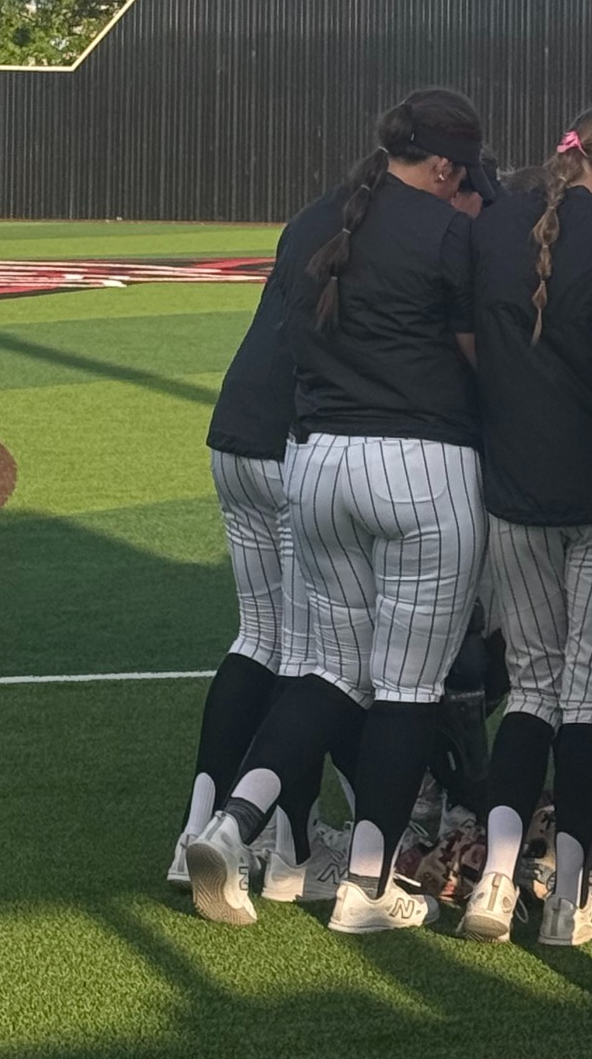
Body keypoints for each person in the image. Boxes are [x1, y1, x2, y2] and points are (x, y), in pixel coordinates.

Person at [185, 87, 496, 935]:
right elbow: (480, 364)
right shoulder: (450, 233)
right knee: (406, 687)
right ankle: (365, 888)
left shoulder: (317, 222)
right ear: (444, 165)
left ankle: (228, 825)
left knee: (324, 671)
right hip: (423, 467)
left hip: (317, 462)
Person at [457, 104, 592, 946]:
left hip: (513, 488)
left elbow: (465, 342)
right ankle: (571, 897)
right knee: (585, 693)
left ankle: (496, 884)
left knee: (530, 689)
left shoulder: (496, 226)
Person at [168, 225, 344, 905]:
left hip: (236, 425)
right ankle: (291, 849)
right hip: (290, 441)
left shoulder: (313, 217)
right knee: (301, 656)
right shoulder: (389, 216)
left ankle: (195, 835)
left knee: (257, 638)